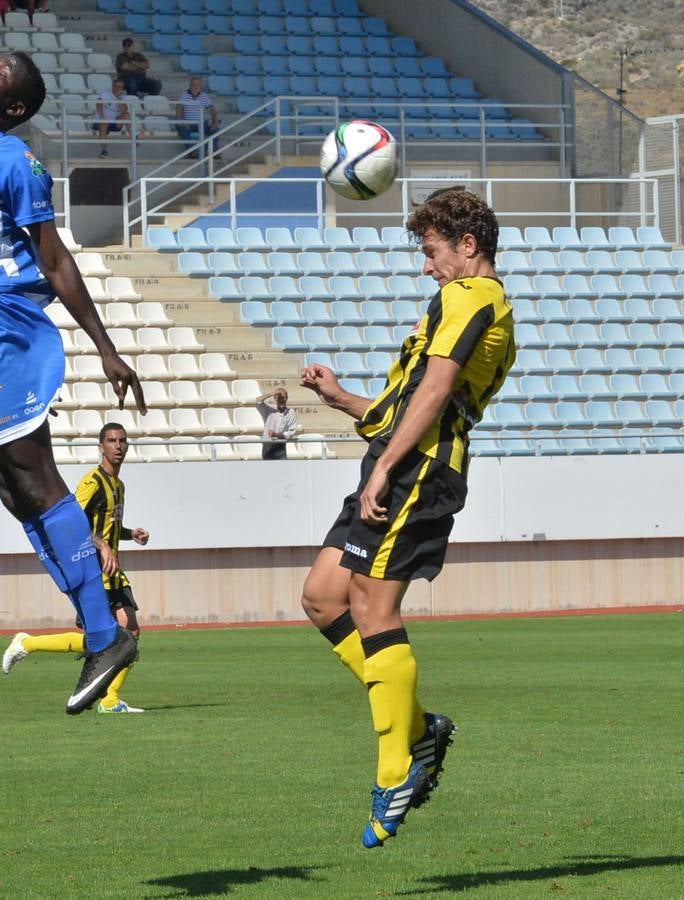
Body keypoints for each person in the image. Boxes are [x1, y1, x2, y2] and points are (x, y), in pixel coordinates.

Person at [0, 51, 145, 714]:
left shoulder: (11, 158)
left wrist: (105, 347)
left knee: (34, 476)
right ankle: (98, 630)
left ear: (15, 107)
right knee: (12, 489)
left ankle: (104, 634)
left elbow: (53, 255)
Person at [296, 187, 515, 848]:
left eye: (431, 250)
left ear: (466, 245)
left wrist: (387, 467)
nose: (426, 265)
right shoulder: (464, 304)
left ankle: (397, 766)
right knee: (320, 597)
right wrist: (340, 400)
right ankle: (420, 731)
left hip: (418, 470)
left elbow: (439, 391)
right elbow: (408, 401)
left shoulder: (471, 297)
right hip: (401, 458)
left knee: (370, 608)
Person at [2, 422, 151, 714]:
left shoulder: (117, 486)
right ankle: (28, 644)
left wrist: (129, 534)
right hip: (94, 570)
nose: (118, 446)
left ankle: (109, 700)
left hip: (112, 572)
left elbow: (107, 526)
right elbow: (74, 524)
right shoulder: (92, 482)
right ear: (100, 446)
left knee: (127, 635)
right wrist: (103, 546)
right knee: (108, 640)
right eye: (111, 440)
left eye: (122, 440)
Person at [90, 76, 129, 159]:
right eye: (115, 86)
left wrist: (118, 98)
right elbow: (98, 104)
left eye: (119, 87)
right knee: (104, 123)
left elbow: (124, 110)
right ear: (112, 86)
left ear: (122, 88)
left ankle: (132, 137)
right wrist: (102, 116)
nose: (117, 88)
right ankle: (103, 151)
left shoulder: (123, 97)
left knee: (127, 115)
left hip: (114, 123)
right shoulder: (105, 93)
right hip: (101, 121)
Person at [176, 76, 219, 150]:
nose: (196, 87)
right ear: (190, 85)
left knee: (215, 130)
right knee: (182, 128)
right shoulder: (184, 95)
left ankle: (214, 152)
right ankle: (190, 152)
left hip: (201, 123)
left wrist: (214, 122)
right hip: (188, 123)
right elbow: (179, 108)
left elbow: (212, 110)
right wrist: (181, 121)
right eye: (193, 85)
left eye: (198, 85)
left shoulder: (204, 96)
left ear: (200, 86)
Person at [255, 386, 298, 460]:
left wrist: (276, 435)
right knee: (267, 469)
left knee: (282, 469)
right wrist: (272, 393)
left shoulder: (291, 413)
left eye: (283, 397)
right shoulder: (268, 409)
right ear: (275, 398)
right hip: (267, 444)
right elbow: (257, 401)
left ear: (287, 398)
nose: (282, 400)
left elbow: (291, 432)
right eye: (279, 397)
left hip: (281, 445)